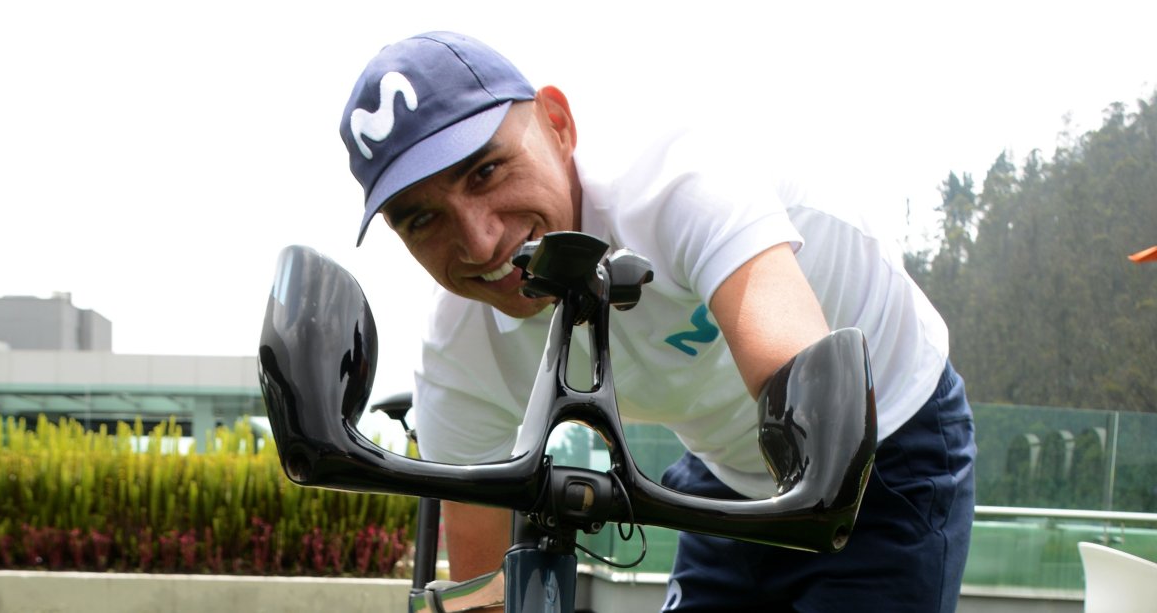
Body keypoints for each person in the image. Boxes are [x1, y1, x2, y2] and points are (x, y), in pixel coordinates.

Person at [339, 31, 976, 612]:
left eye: (486, 170)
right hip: (725, 465)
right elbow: (484, 589)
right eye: (421, 219)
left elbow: (798, 384)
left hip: (885, 439)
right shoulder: (457, 346)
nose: (479, 244)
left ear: (559, 125)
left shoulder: (677, 181)